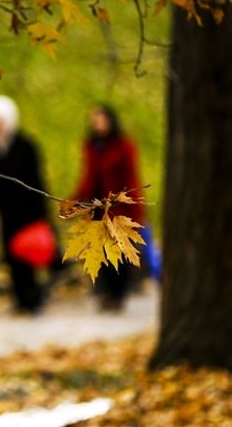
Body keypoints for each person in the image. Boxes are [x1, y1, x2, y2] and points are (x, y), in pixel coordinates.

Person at [72, 103, 148, 311]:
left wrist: (135, 206)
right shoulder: (92, 147)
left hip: (120, 208)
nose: (97, 123)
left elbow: (131, 178)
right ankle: (105, 293)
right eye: (94, 119)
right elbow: (87, 177)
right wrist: (75, 200)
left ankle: (118, 295)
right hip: (97, 208)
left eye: (101, 118)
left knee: (120, 253)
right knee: (100, 251)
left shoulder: (124, 146)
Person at [0, 95, 52, 314]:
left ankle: (33, 297)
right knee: (11, 256)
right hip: (5, 211)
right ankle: (20, 297)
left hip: (28, 210)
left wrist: (41, 213)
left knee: (27, 254)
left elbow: (37, 180)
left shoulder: (26, 145)